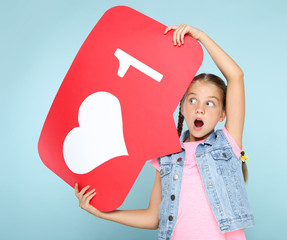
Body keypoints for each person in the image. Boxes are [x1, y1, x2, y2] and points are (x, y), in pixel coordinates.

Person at [75, 24, 255, 240]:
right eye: (193, 100)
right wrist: (102, 213)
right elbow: (153, 218)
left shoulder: (227, 143)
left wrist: (201, 37)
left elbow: (236, 76)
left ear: (222, 115)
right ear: (181, 107)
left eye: (210, 104)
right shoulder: (167, 156)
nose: (200, 108)